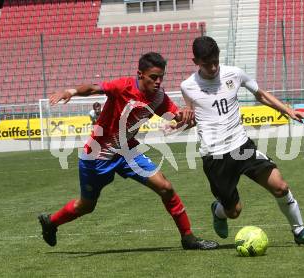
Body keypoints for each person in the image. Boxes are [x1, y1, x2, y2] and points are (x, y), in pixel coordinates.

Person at [38, 52, 218, 250]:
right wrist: (70, 91)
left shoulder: (159, 98)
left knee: (165, 187)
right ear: (140, 74)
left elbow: (178, 118)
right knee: (86, 206)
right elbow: (93, 88)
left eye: (161, 77)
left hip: (127, 151)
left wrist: (186, 117)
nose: (158, 82)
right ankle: (51, 222)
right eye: (153, 77)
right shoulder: (123, 86)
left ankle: (188, 238)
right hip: (97, 156)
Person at [180, 36, 304, 245]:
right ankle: (219, 210)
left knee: (280, 186)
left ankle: (300, 232)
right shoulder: (188, 86)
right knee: (234, 211)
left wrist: (288, 110)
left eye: (215, 61)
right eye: (207, 64)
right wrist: (179, 122)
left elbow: (261, 94)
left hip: (242, 147)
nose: (213, 67)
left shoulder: (234, 73)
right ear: (196, 62)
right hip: (215, 156)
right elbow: (192, 118)